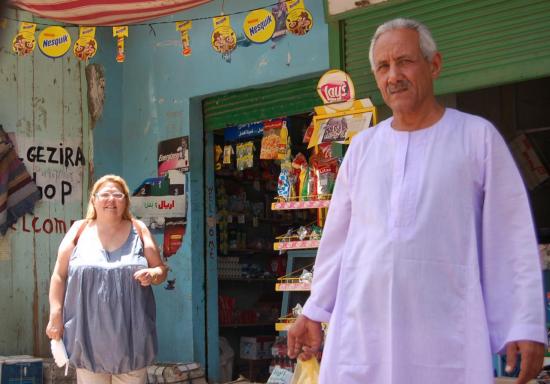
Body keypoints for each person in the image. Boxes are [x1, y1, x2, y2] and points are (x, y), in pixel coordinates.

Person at [287, 18, 546, 384]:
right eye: (383, 66)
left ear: (434, 64)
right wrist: (313, 312)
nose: (394, 75)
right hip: (365, 334)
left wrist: (525, 322)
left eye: (405, 61)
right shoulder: (362, 149)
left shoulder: (476, 138)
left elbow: (511, 235)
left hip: (446, 335)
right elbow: (336, 243)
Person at [46, 174, 168, 384]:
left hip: (131, 340)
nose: (111, 200)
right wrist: (55, 314)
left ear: (126, 201)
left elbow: (160, 269)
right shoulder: (78, 230)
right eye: (105, 195)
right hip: (88, 339)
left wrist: (154, 274)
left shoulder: (139, 230)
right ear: (93, 199)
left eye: (117, 195)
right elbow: (59, 274)